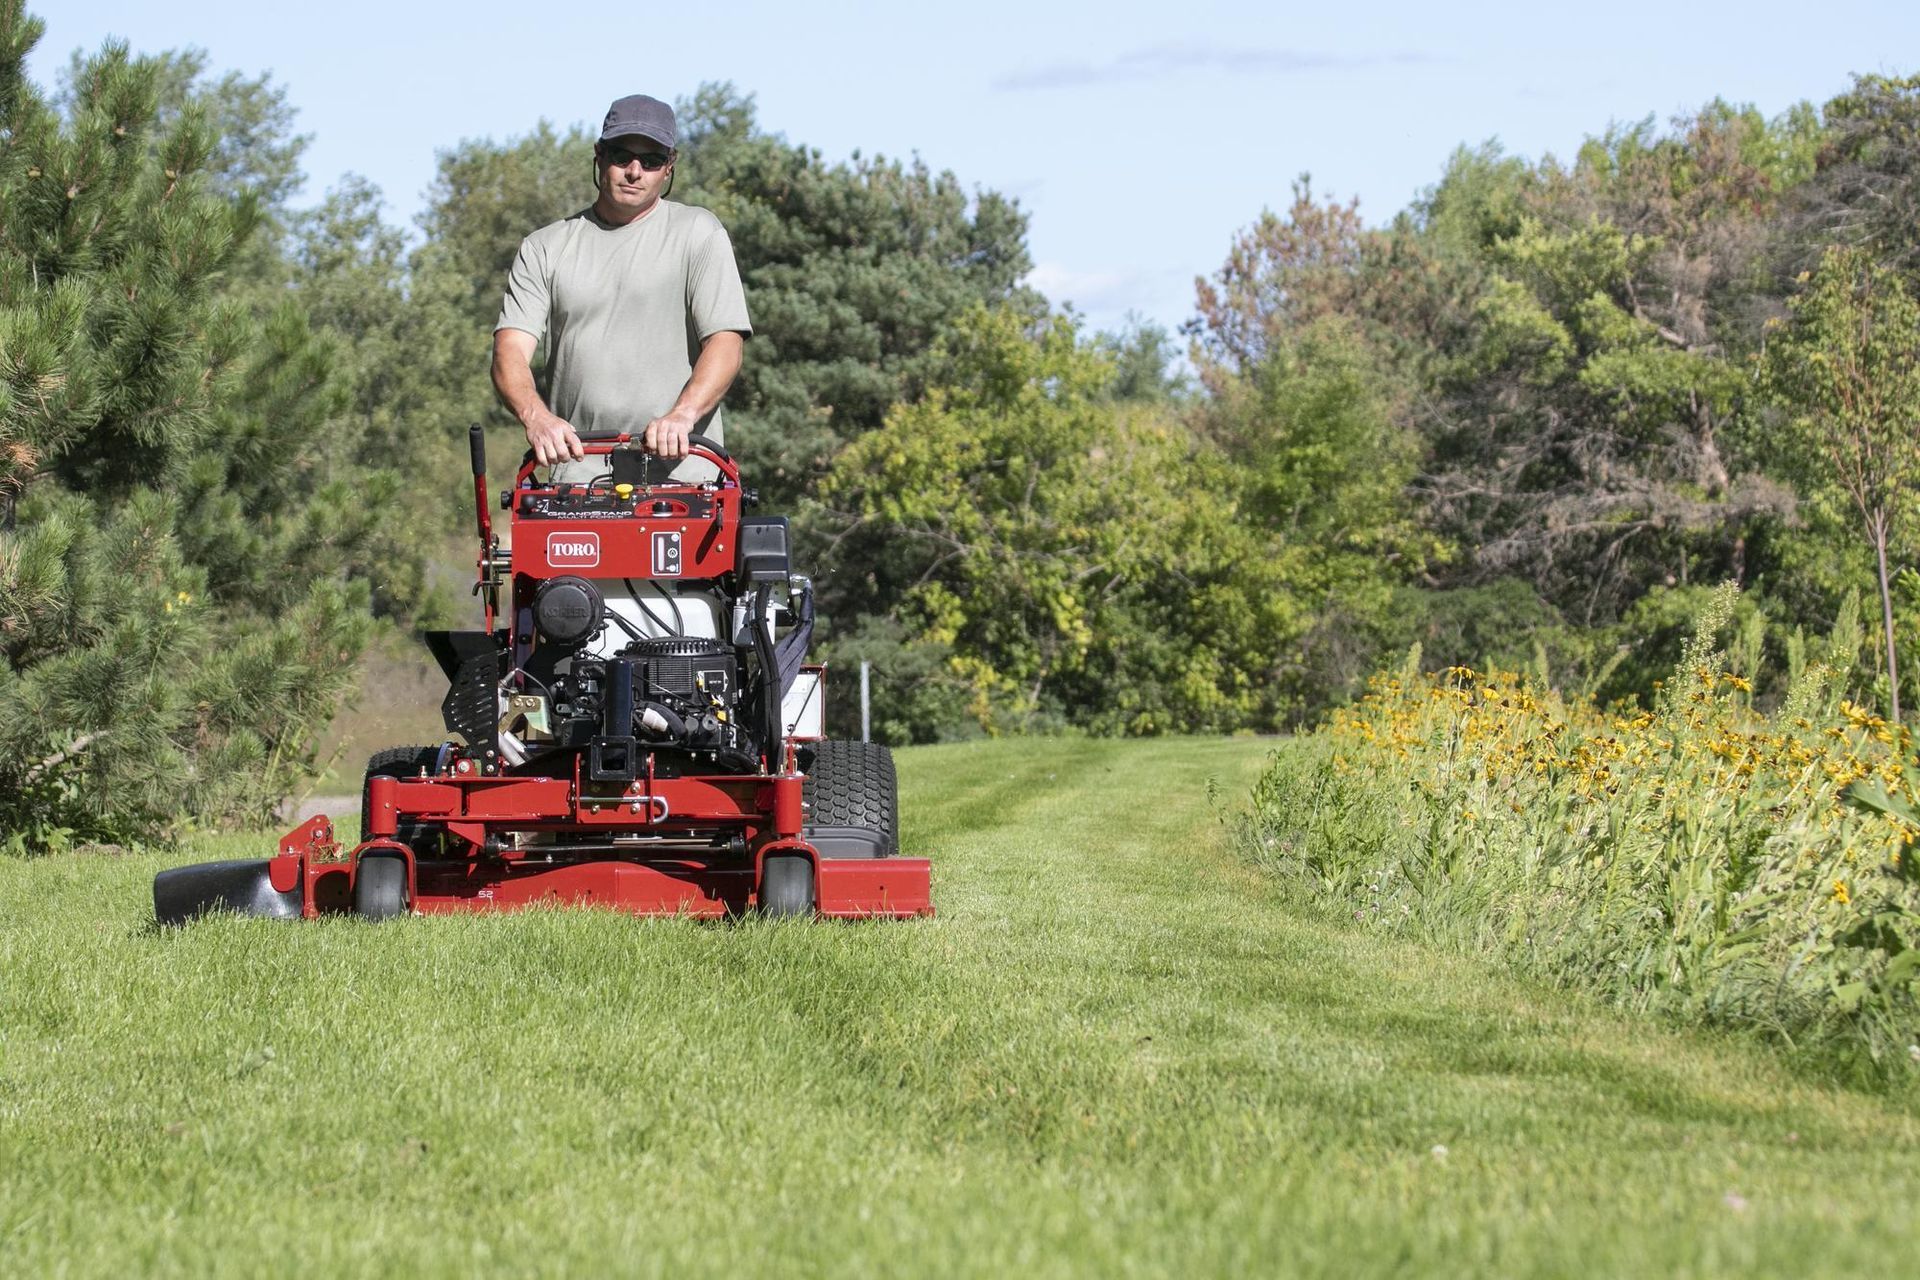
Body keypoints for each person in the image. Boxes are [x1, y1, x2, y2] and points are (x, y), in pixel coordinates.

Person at [492, 94, 751, 485]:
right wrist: (537, 417)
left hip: (684, 477)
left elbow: (725, 343)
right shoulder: (545, 247)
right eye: (621, 155)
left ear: (669, 167)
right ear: (599, 155)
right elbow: (510, 349)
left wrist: (683, 415)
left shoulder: (698, 233)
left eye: (651, 161)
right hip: (577, 479)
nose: (634, 171)